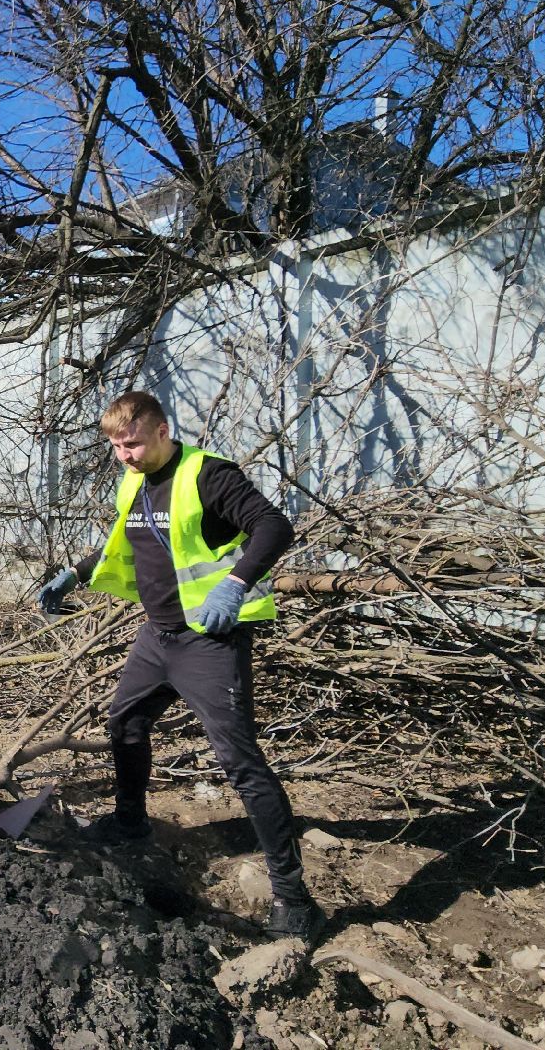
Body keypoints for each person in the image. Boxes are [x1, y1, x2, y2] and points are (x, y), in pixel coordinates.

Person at [37, 391, 325, 942]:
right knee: (126, 723)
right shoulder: (134, 481)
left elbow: (273, 526)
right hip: (157, 637)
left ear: (163, 431)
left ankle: (294, 900)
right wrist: (75, 573)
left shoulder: (208, 475)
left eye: (133, 443)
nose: (125, 455)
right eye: (116, 447)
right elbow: (127, 542)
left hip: (208, 643)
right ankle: (130, 822)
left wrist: (235, 584)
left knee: (241, 764)